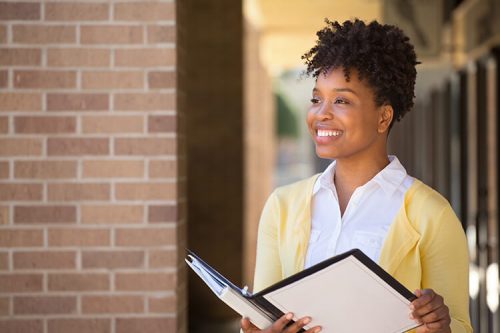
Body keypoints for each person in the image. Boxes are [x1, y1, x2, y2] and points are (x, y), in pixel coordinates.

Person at [240, 19, 472, 333]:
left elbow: (458, 326)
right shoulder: (281, 207)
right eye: (316, 99)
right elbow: (261, 319)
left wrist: (440, 325)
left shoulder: (432, 215)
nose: (321, 113)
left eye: (341, 100)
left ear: (383, 116)